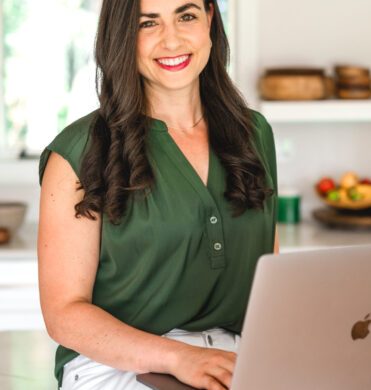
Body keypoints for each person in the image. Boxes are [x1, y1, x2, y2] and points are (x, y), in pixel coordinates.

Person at [37, 0, 278, 389]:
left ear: (210, 19)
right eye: (148, 24)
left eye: (186, 16)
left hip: (234, 359)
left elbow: (271, 280)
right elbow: (64, 313)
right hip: (118, 364)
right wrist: (178, 357)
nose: (172, 39)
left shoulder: (254, 134)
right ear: (122, 37)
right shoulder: (80, 151)